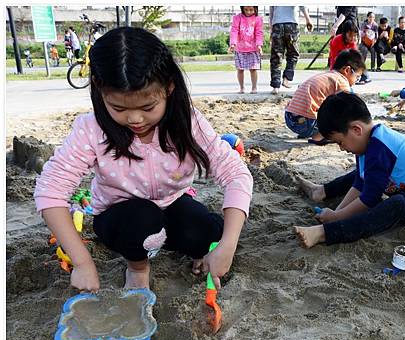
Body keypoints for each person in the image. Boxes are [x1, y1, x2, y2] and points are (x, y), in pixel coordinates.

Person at [33, 27, 253, 293]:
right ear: (100, 92)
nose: (135, 119)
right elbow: (50, 192)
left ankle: (178, 245)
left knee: (207, 233)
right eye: (119, 108)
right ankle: (137, 267)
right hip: (120, 217)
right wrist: (81, 263)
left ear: (169, 87)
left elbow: (236, 173)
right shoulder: (91, 130)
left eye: (148, 108)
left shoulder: (188, 122)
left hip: (171, 203)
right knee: (143, 221)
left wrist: (226, 246)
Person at [293, 92, 405, 248]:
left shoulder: (380, 148)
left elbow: (369, 198)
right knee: (363, 174)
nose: (341, 148)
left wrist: (337, 217)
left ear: (356, 129)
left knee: (398, 205)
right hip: (403, 187)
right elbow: (360, 184)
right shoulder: (366, 143)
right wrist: (337, 213)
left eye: (340, 142)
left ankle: (323, 234)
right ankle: (322, 191)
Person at [285, 49, 365, 145]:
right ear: (347, 70)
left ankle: (309, 132)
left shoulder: (327, 75)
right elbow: (350, 105)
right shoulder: (341, 80)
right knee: (342, 113)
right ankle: (318, 137)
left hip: (290, 118)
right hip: (306, 123)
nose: (356, 81)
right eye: (357, 77)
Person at [269, 6, 313, 95]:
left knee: (276, 56)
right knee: (293, 54)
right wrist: (308, 19)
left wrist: (271, 28)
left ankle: (275, 86)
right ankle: (286, 78)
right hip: (292, 24)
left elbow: (271, 11)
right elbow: (302, 5)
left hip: (277, 24)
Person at [229, 6, 263, 94]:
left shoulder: (258, 19)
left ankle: (254, 87)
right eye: (246, 10)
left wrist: (259, 45)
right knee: (240, 69)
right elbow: (234, 31)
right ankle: (242, 87)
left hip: (253, 48)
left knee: (253, 69)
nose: (248, 12)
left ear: (255, 8)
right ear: (242, 9)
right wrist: (233, 43)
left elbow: (259, 32)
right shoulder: (237, 18)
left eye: (251, 10)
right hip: (240, 48)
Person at [357, 11, 377, 83]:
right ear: (367, 17)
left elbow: (376, 35)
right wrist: (366, 34)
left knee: (373, 50)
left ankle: (373, 66)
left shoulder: (375, 25)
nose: (371, 18)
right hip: (364, 42)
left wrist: (374, 41)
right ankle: (362, 65)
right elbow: (361, 33)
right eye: (370, 17)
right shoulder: (364, 24)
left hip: (372, 42)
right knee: (364, 50)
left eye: (373, 17)